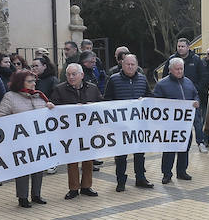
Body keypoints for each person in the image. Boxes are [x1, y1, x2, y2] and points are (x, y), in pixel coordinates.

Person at [0, 69, 52, 207]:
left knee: (39, 167)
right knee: (23, 169)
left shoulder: (39, 96)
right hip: (20, 141)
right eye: (30, 81)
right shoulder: (10, 97)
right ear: (21, 82)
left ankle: (36, 194)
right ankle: (23, 197)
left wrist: (50, 107)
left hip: (37, 139)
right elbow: (0, 118)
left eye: (34, 81)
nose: (33, 84)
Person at [50, 63, 102, 199]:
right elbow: (54, 107)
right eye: (68, 74)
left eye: (74, 74)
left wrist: (94, 106)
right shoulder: (60, 89)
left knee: (88, 160)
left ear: (82, 75)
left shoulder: (92, 88)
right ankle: (73, 188)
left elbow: (102, 105)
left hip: (88, 131)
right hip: (70, 132)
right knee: (72, 161)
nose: (71, 77)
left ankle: (86, 186)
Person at [104, 54, 153, 191]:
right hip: (120, 126)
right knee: (121, 155)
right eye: (127, 64)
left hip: (139, 125)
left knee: (139, 153)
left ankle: (141, 178)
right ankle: (121, 181)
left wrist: (144, 100)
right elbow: (107, 100)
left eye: (133, 64)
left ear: (137, 66)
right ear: (122, 64)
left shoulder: (143, 79)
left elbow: (149, 97)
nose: (130, 67)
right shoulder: (113, 80)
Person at [153, 56, 199, 182]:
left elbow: (195, 95)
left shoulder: (188, 82)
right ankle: (167, 174)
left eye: (181, 69)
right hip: (169, 125)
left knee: (185, 147)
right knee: (169, 150)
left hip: (185, 124)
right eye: (177, 69)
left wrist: (196, 102)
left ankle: (182, 171)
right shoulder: (162, 85)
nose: (179, 71)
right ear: (170, 70)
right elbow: (156, 103)